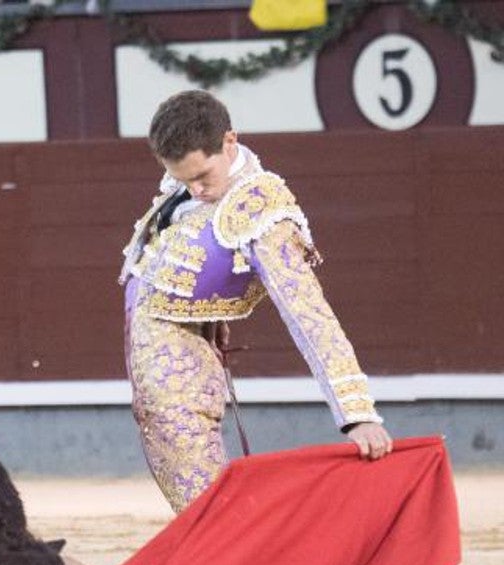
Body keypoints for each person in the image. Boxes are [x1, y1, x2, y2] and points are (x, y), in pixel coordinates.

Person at [119, 89, 393, 513]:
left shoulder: (260, 210)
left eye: (203, 176)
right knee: (203, 512)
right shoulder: (195, 183)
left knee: (208, 517)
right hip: (167, 374)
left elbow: (309, 312)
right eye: (183, 178)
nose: (194, 190)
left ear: (229, 143)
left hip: (182, 381)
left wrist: (356, 413)